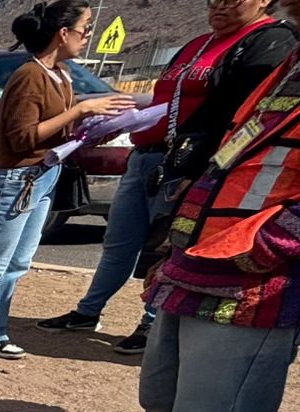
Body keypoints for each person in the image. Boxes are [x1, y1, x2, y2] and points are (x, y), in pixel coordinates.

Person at [76, 14, 300, 412]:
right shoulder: (288, 64)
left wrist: (268, 246)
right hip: (203, 259)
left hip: (253, 279)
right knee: (165, 394)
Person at [36, 0, 294, 353]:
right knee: (119, 242)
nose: (218, 6)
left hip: (190, 163)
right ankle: (88, 310)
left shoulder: (268, 40)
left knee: (167, 244)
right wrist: (123, 118)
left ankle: (151, 323)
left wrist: (196, 167)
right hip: (146, 155)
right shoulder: (196, 45)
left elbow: (227, 112)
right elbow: (164, 101)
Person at [0, 2, 134, 364]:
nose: (88, 36)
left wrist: (89, 124)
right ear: (63, 33)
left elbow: (56, 127)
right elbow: (20, 137)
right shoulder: (30, 76)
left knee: (17, 263)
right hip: (15, 179)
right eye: (84, 29)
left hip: (43, 177)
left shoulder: (61, 75)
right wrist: (78, 112)